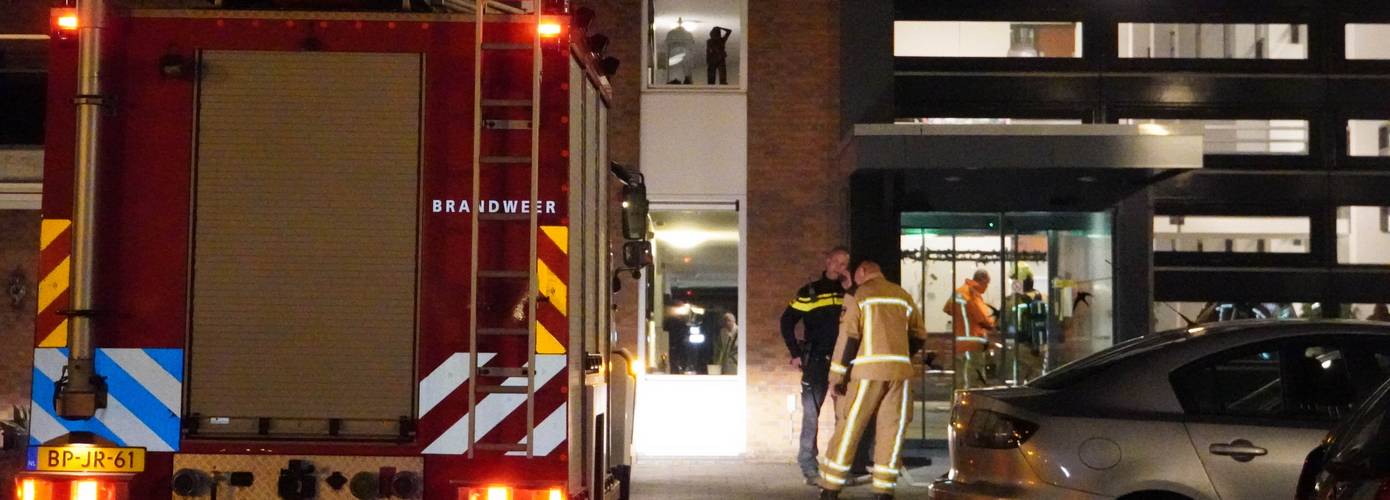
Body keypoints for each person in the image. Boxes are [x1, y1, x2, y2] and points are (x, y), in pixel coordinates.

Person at [817, 261, 927, 500]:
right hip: (899, 374)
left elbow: (848, 338)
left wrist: (837, 377)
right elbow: (919, 335)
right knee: (892, 430)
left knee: (849, 427)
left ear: (862, 272)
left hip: (866, 373)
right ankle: (884, 490)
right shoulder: (903, 296)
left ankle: (830, 487)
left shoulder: (859, 295)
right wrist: (900, 356)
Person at [780, 246, 851, 483]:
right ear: (827, 261)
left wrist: (851, 288)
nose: (839, 267)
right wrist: (795, 353)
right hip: (817, 362)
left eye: (844, 264)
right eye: (836, 262)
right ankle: (808, 465)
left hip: (843, 363)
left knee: (845, 415)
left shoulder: (849, 292)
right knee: (811, 414)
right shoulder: (810, 292)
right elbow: (786, 321)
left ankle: (839, 465)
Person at [944, 269, 996, 389]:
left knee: (959, 381)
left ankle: (958, 401)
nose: (986, 287)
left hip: (959, 344)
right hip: (973, 344)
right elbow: (984, 319)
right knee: (975, 382)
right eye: (987, 283)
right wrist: (994, 322)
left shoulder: (958, 292)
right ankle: (973, 401)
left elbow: (947, 309)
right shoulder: (973, 294)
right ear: (982, 280)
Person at [1003, 265, 1046, 382]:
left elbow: (1001, 324)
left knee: (1016, 383)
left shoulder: (1011, 301)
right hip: (1040, 348)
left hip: (1020, 348)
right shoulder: (1043, 298)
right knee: (1038, 383)